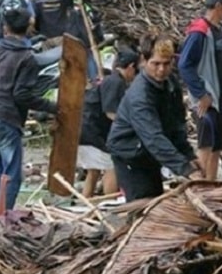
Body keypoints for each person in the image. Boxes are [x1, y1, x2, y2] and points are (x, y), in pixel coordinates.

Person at [0, 6, 58, 211]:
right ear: (29, 28)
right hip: (4, 117)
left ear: (5, 28)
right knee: (11, 174)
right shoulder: (26, 57)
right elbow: (21, 95)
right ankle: (5, 218)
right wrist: (52, 107)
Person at [107, 34, 196, 201]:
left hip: (149, 153)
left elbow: (177, 124)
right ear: (143, 61)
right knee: (142, 203)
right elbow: (153, 137)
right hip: (130, 153)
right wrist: (185, 169)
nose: (161, 70)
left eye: (166, 64)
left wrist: (189, 156)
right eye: (155, 64)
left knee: (155, 199)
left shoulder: (171, 84)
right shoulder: (140, 95)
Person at [178, 0, 222, 181]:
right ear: (218, 6)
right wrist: (201, 94)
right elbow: (185, 65)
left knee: (217, 145)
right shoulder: (199, 32)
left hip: (221, 97)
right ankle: (200, 185)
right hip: (207, 99)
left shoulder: (220, 31)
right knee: (206, 143)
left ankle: (211, 184)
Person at [78, 49, 139, 198]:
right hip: (92, 132)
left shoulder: (112, 80)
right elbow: (110, 112)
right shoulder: (115, 82)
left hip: (84, 130)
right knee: (112, 165)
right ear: (131, 67)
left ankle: (87, 200)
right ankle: (110, 202)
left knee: (94, 170)